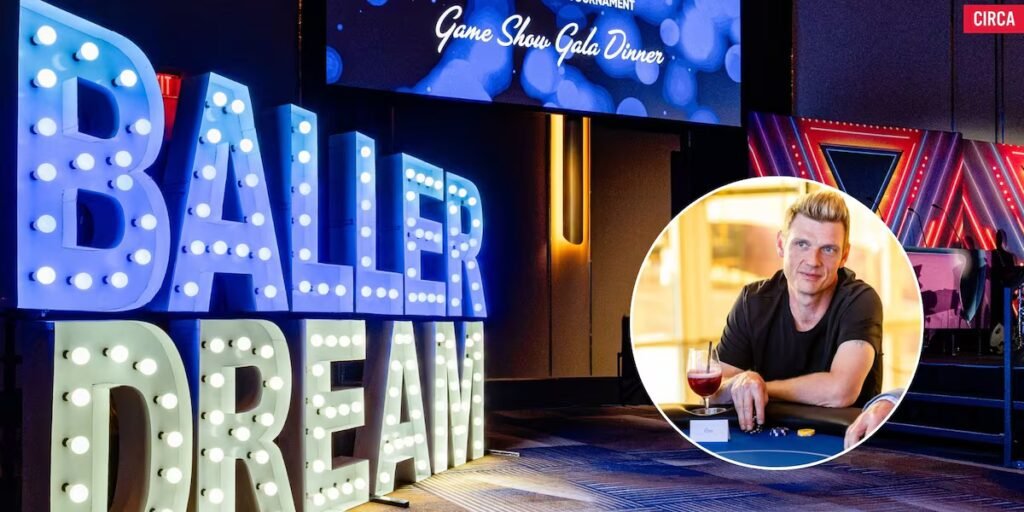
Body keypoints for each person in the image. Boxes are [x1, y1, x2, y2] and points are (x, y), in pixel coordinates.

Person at [710, 190, 883, 431]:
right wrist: (739, 384)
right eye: (802, 244)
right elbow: (715, 393)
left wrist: (762, 387)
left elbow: (841, 391)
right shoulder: (753, 301)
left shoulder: (860, 300)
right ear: (781, 244)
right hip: (767, 438)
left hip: (844, 441)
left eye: (828, 249)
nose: (813, 261)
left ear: (844, 256)